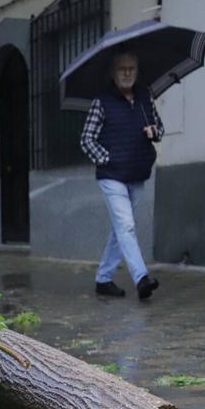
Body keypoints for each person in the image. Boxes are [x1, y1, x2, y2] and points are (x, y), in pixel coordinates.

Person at [80, 49, 163, 300]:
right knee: (126, 225)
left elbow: (160, 128)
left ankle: (103, 279)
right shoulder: (102, 102)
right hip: (112, 176)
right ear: (113, 73)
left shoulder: (144, 98)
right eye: (122, 69)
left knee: (120, 229)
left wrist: (154, 131)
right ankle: (141, 278)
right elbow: (86, 139)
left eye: (132, 69)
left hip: (138, 173)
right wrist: (108, 159)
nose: (127, 73)